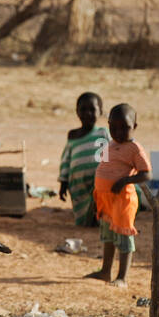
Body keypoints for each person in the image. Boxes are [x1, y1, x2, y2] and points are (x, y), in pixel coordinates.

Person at [86, 103, 150, 288]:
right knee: (108, 236)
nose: (119, 132)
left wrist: (123, 182)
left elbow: (146, 173)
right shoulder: (110, 143)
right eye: (113, 127)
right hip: (105, 200)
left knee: (123, 237)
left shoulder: (135, 148)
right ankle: (105, 271)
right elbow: (104, 168)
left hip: (123, 200)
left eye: (125, 127)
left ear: (135, 126)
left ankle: (122, 277)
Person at [58, 91, 107, 228]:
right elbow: (66, 159)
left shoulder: (102, 133)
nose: (87, 113)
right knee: (82, 210)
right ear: (77, 112)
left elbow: (108, 157)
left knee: (99, 202)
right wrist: (63, 182)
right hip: (78, 184)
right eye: (83, 109)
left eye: (92, 109)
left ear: (101, 111)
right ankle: (87, 221)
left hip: (98, 181)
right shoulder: (73, 135)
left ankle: (98, 220)